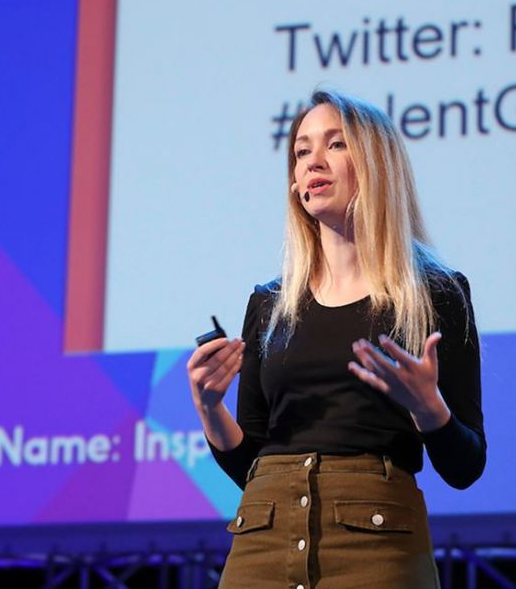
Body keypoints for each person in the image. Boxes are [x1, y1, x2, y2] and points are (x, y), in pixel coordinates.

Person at [186, 89, 485, 588]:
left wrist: (428, 408)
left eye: (336, 145)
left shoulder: (435, 294)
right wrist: (209, 408)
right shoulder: (270, 304)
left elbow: (465, 467)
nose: (312, 162)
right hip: (262, 535)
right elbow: (249, 466)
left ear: (377, 165)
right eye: (302, 151)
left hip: (376, 540)